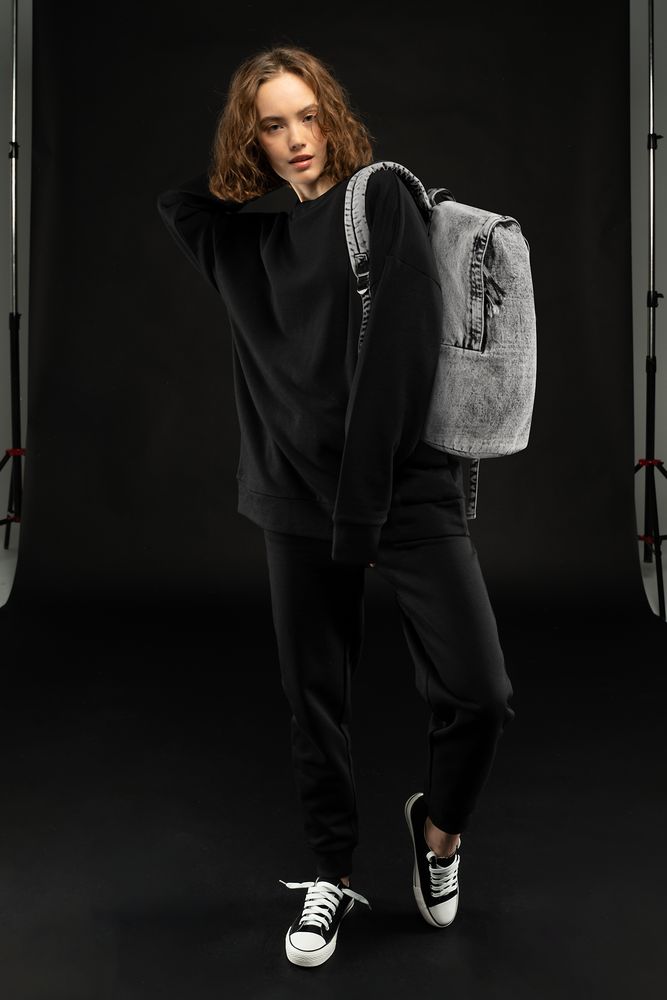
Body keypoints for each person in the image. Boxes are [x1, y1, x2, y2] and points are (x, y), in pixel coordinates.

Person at [157, 44, 515, 968]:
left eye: (307, 116)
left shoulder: (379, 198)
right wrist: (240, 162)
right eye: (271, 126)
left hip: (399, 489)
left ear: (333, 115)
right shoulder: (249, 245)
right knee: (314, 701)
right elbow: (182, 202)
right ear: (252, 142)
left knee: (478, 692)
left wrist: (362, 513)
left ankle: (438, 835)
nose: (295, 139)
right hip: (292, 500)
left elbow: (401, 355)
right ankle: (330, 873)